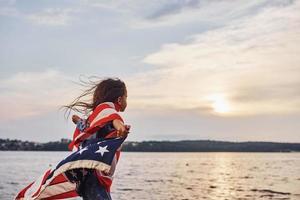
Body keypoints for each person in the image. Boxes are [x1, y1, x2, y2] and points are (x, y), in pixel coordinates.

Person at [64, 78, 130, 200]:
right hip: (96, 174)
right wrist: (121, 128)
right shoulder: (108, 112)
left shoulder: (95, 118)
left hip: (87, 173)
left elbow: (87, 129)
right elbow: (114, 120)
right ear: (120, 100)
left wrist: (79, 122)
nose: (127, 100)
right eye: (126, 97)